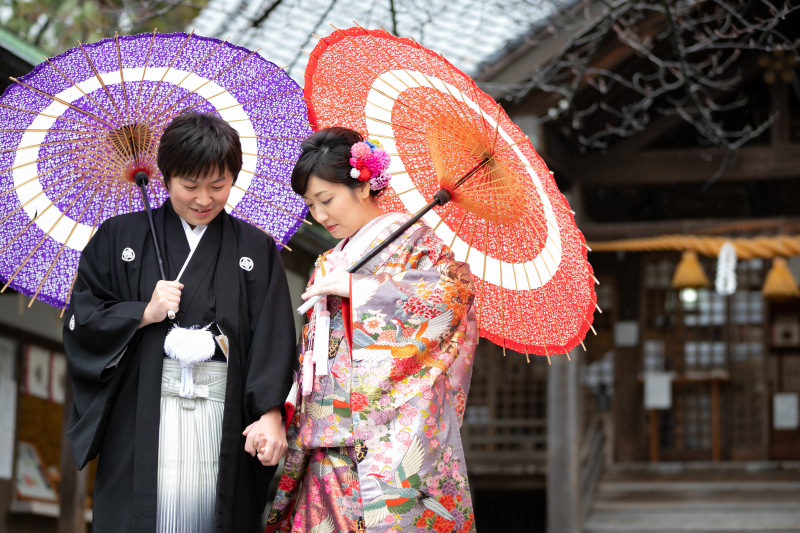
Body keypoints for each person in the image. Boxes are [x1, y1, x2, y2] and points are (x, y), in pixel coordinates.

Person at [63, 110, 296, 533]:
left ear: (233, 179)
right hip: (142, 413)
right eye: (190, 185)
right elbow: (83, 319)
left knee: (216, 513)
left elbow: (273, 338)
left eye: (218, 186)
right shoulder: (119, 237)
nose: (204, 199)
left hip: (223, 416)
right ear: (165, 177)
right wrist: (142, 313)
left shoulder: (256, 248)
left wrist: (269, 413)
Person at [265, 127, 478, 533]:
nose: (320, 216)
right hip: (325, 436)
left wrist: (359, 289)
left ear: (363, 186)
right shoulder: (330, 259)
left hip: (392, 434)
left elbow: (453, 296)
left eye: (326, 200)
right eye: (311, 205)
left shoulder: (416, 242)